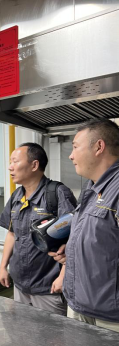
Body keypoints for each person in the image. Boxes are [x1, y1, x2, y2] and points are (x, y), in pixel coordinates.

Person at [52, 119, 119, 332]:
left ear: (99, 147)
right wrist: (75, 251)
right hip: (80, 305)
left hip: (110, 317)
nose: (71, 156)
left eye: (75, 147)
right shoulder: (91, 188)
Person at [0, 143, 77, 316]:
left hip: (48, 286)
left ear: (34, 165)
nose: (10, 167)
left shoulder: (57, 193)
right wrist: (3, 267)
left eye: (15, 161)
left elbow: (74, 239)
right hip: (20, 284)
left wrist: (63, 277)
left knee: (50, 332)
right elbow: (11, 233)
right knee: (24, 329)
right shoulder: (16, 196)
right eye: (10, 162)